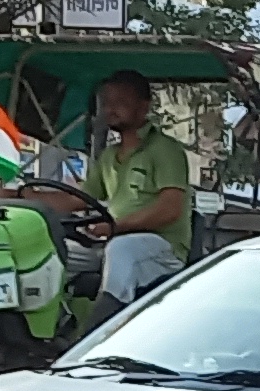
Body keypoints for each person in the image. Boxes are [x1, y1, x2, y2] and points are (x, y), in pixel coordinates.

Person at [78, 69, 195, 305]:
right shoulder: (109, 156)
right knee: (55, 253)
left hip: (162, 248)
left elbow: (170, 209)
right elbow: (77, 198)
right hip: (113, 240)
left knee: (122, 250)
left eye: (121, 102)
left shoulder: (165, 150)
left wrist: (113, 227)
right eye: (107, 102)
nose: (111, 109)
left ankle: (103, 328)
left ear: (144, 107)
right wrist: (22, 196)